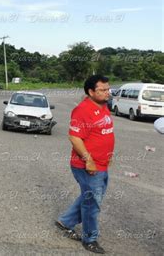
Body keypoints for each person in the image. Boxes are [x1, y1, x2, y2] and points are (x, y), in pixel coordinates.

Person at [56, 75, 115, 254]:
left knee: (90, 198)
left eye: (108, 89)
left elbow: (103, 132)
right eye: (103, 90)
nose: (107, 93)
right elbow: (74, 137)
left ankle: (65, 222)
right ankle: (90, 239)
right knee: (92, 203)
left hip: (102, 164)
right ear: (91, 92)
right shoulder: (82, 110)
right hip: (87, 165)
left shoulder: (103, 106)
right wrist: (88, 160)